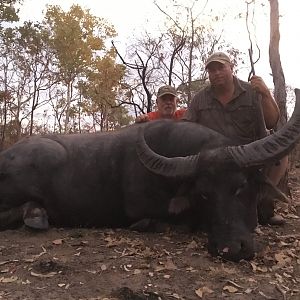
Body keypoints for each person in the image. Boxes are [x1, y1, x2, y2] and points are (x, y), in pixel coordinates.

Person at [182, 51, 287, 225]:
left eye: (221, 68)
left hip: (249, 157)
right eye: (211, 70)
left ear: (231, 67)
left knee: (281, 157)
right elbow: (185, 128)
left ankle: (262, 202)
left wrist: (266, 94)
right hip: (216, 161)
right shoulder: (200, 99)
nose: (216, 73)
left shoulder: (252, 91)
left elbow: (272, 121)